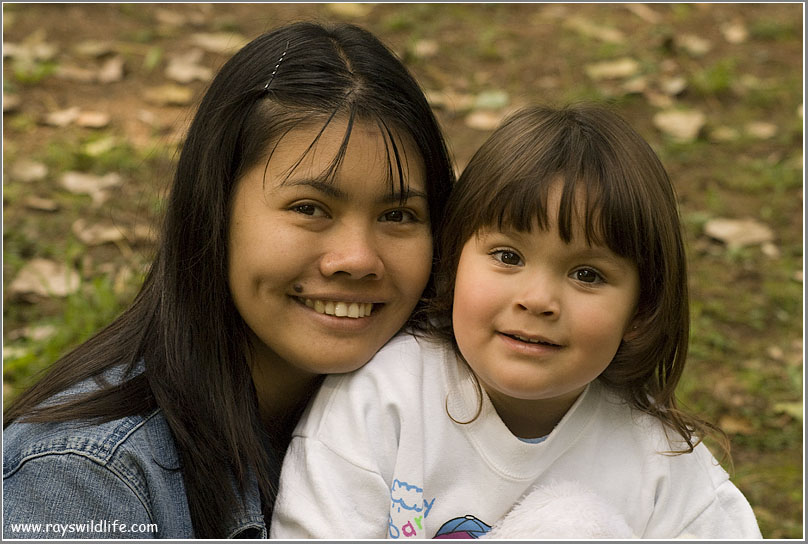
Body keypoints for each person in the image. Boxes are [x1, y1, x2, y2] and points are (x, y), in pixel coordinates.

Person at [3, 21, 454, 539]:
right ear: (214, 213)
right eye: (309, 208)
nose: (357, 259)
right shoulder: (83, 479)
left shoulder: (459, 417)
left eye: (398, 216)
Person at [270, 104, 763, 539]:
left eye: (587, 274)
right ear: (453, 261)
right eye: (508, 256)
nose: (538, 300)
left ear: (641, 309)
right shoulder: (384, 400)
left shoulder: (664, 466)